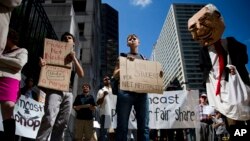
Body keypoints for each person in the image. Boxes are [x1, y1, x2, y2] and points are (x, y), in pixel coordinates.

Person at [188, 4, 250, 140]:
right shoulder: (203, 52)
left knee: (243, 108)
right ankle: (237, 134)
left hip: (235, 83)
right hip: (219, 88)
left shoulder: (230, 42)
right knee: (231, 120)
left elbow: (244, 58)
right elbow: (203, 70)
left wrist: (235, 66)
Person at [36, 32, 84, 141]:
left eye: (69, 38)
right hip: (54, 89)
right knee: (49, 118)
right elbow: (46, 70)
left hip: (68, 92)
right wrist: (42, 66)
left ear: (74, 42)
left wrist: (74, 59)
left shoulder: (75, 59)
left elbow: (81, 74)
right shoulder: (54, 54)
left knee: (62, 123)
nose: (67, 39)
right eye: (64, 38)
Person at [113, 34, 149, 141]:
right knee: (122, 127)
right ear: (127, 43)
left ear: (139, 42)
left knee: (144, 127)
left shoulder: (144, 58)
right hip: (125, 93)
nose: (132, 40)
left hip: (142, 93)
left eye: (134, 38)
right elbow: (114, 74)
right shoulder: (122, 57)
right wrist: (125, 64)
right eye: (130, 39)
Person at [0, 29, 28, 141]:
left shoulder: (22, 51)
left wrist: (1, 59)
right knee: (5, 113)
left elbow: (19, 64)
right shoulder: (3, 51)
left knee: (7, 111)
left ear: (9, 38)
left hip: (10, 81)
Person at [96, 75, 117, 141]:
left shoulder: (114, 90)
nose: (107, 80)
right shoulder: (101, 91)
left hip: (115, 115)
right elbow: (98, 103)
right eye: (105, 79)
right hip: (107, 114)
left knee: (114, 132)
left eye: (108, 79)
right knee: (105, 132)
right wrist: (103, 95)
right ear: (103, 81)